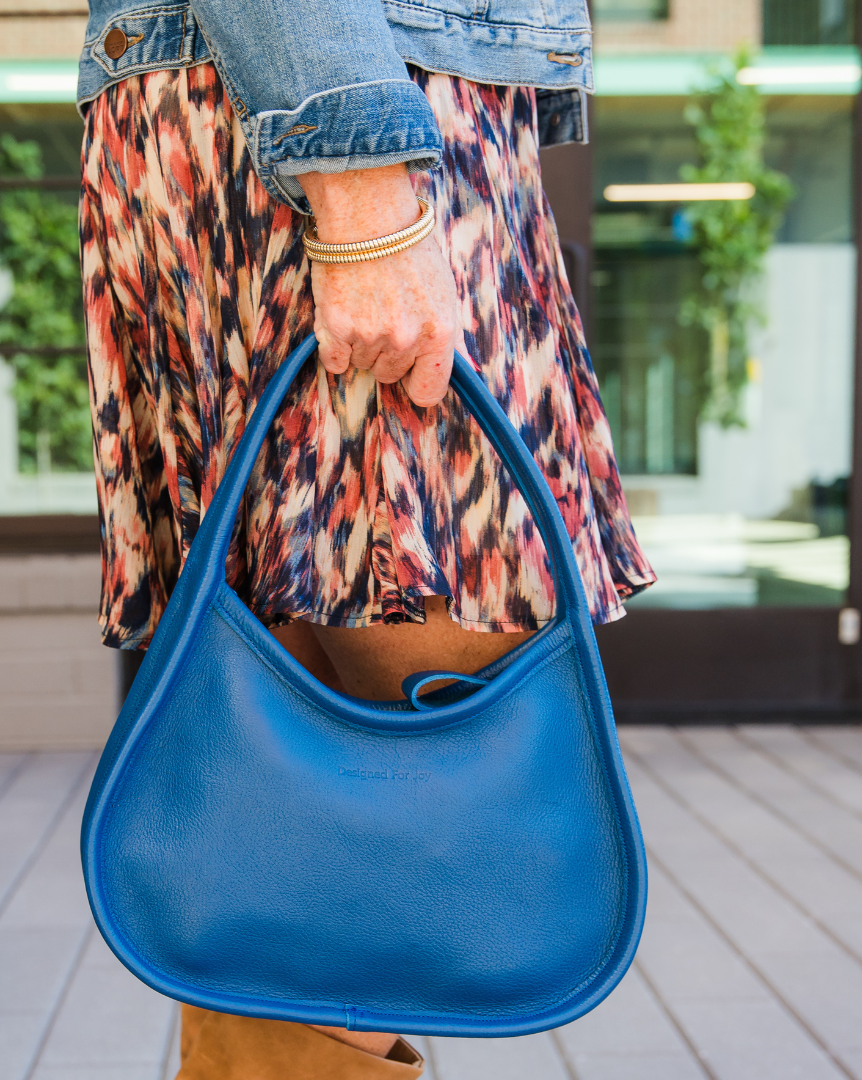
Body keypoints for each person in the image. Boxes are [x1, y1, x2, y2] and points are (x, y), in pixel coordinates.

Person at [77, 0, 656, 1075]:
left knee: (317, 833)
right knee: (362, 807)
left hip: (338, 107)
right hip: (342, 120)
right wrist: (360, 187)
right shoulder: (355, 154)